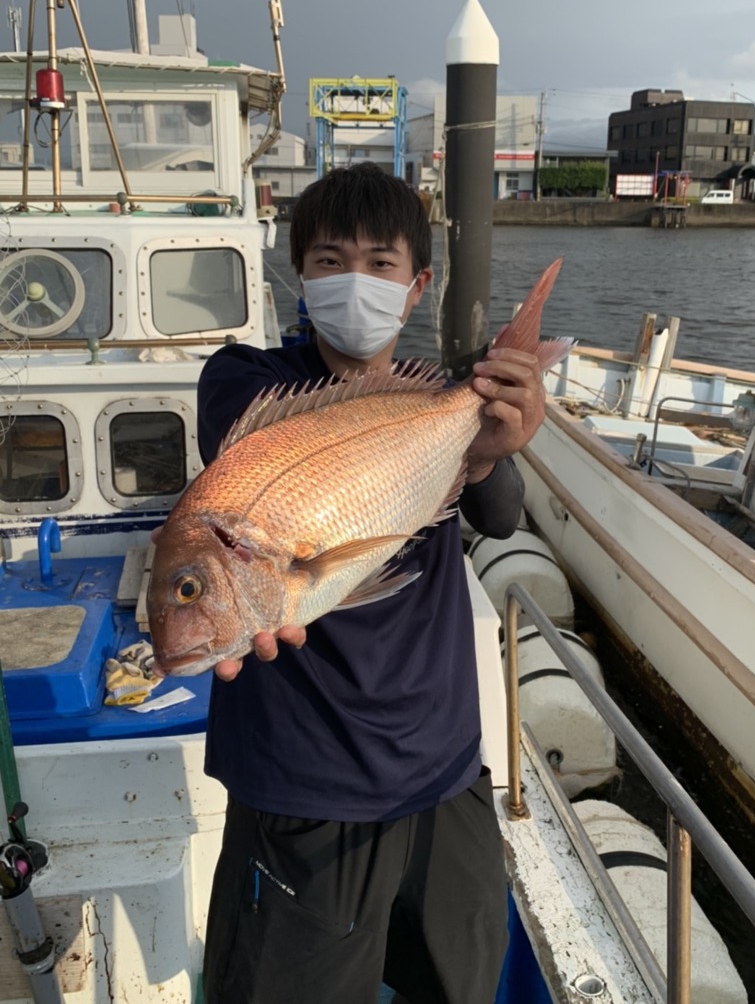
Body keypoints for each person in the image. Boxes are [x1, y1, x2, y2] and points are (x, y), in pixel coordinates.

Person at [198, 162, 546, 1004]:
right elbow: (252, 457)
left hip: (443, 769)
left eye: (380, 263)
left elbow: (498, 515)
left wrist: (493, 437)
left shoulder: (436, 403)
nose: (355, 280)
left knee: (460, 984)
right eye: (328, 259)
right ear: (298, 275)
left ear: (417, 284)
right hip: (302, 787)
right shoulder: (242, 386)